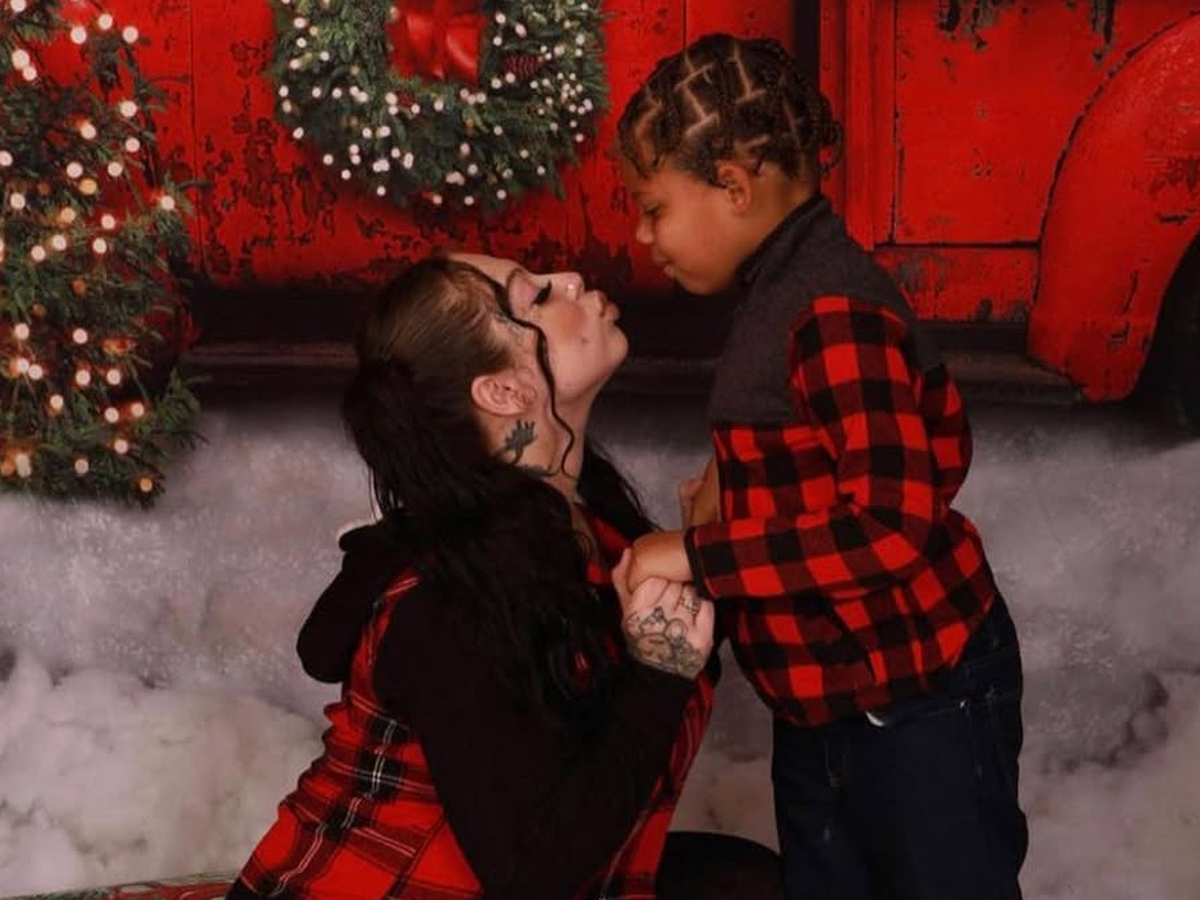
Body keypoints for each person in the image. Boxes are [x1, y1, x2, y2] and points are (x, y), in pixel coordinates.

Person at [225, 252, 783, 900]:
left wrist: (709, 556)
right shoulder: (448, 605)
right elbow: (531, 869)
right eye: (537, 297)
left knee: (749, 878)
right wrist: (659, 673)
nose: (571, 280)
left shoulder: (584, 525)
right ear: (503, 392)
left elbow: (632, 691)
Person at [615, 33, 1028, 900]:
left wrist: (697, 554)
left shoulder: (831, 309)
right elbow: (809, 441)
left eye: (653, 208)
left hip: (918, 704)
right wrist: (730, 486)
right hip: (825, 706)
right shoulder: (779, 293)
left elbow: (888, 526)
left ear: (734, 185)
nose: (643, 236)